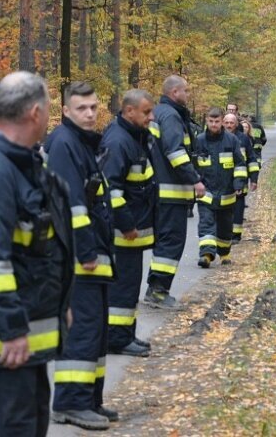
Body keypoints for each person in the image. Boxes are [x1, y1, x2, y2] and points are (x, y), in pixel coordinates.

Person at [0, 71, 75, 436]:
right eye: (50, 107)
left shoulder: (23, 163)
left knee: (27, 425)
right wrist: (11, 329)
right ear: (35, 112)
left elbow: (37, 248)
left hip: (24, 334)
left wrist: (57, 304)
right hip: (5, 343)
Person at [44, 82, 116, 431]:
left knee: (97, 331)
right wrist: (87, 251)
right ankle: (70, 403)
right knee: (83, 329)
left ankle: (90, 400)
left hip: (94, 253)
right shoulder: (64, 143)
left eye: (93, 107)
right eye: (82, 108)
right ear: (65, 111)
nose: (89, 113)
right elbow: (70, 203)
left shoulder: (85, 142)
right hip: (78, 257)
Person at [100, 89, 156, 357]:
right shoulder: (119, 141)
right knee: (123, 287)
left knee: (130, 284)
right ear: (129, 111)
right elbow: (111, 190)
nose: (151, 117)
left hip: (130, 232)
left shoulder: (135, 137)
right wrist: (127, 225)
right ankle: (117, 339)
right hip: (122, 233)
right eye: (146, 112)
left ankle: (126, 334)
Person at [145, 75, 205, 308]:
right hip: (171, 193)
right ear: (174, 93)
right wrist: (195, 179)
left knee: (165, 242)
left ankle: (156, 288)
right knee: (171, 242)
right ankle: (158, 292)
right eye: (186, 91)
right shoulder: (170, 116)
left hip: (160, 189)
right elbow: (175, 152)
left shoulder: (159, 113)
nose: (188, 95)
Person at [195, 108, 247, 268]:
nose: (214, 124)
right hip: (206, 192)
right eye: (211, 121)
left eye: (217, 121)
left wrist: (239, 183)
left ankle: (224, 253)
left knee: (225, 226)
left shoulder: (231, 140)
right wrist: (196, 182)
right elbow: (194, 165)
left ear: (222, 121)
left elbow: (239, 163)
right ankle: (206, 254)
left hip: (226, 193)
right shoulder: (200, 140)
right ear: (207, 121)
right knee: (206, 223)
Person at [227, 116, 259, 243]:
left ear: (236, 124)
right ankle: (225, 233)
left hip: (241, 178)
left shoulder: (243, 138)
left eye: (231, 123)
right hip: (224, 179)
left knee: (238, 208)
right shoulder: (219, 137)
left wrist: (254, 179)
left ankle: (236, 235)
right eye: (227, 122)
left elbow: (251, 159)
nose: (229, 125)